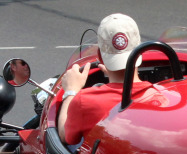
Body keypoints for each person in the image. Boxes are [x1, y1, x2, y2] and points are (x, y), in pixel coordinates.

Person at [57, 14, 152, 146]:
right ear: (140, 51)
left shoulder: (85, 101)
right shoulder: (160, 97)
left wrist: (70, 92)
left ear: (100, 56)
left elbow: (64, 135)